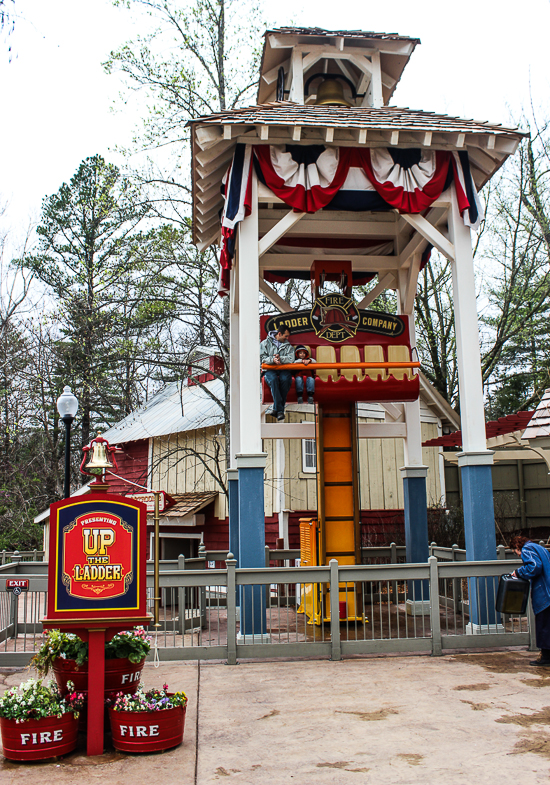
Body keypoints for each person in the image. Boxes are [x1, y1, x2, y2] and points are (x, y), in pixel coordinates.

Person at [511, 534, 550, 666]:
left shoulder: (527, 549)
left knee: (543, 625)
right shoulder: (540, 548)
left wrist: (518, 572)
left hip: (544, 592)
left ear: (517, 546)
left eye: (516, 552)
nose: (518, 555)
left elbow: (534, 567)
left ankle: (546, 657)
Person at [260, 326, 295, 421]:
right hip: (269, 370)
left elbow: (291, 359)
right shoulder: (264, 343)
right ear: (279, 334)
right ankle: (280, 410)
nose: (287, 338)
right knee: (273, 379)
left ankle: (276, 409)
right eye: (286, 336)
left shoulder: (289, 346)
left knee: (286, 379)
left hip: (284, 369)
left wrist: (281, 359)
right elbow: (261, 357)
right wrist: (273, 360)